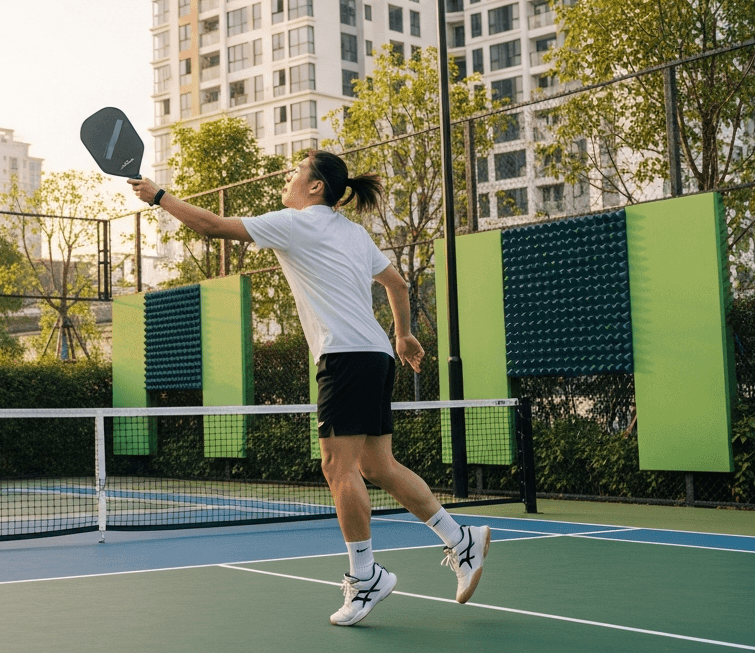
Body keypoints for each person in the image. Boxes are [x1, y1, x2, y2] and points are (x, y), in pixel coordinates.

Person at [128, 151, 490, 627]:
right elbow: (397, 284)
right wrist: (401, 336)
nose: (289, 177)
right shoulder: (353, 233)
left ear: (316, 187)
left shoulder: (295, 224)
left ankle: (366, 578)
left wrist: (158, 196)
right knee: (377, 464)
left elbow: (213, 226)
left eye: (296, 171)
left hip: (344, 357)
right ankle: (459, 539)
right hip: (376, 355)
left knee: (337, 467)